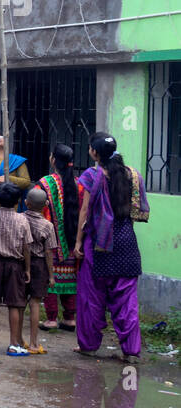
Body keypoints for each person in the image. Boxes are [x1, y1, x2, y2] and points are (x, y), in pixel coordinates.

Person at [73, 132, 148, 364]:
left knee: (91, 299)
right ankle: (131, 351)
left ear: (95, 153)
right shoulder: (132, 174)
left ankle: (89, 347)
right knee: (127, 302)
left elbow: (85, 212)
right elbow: (134, 212)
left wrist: (77, 242)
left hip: (98, 244)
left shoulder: (92, 175)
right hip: (126, 243)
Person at [0, 181, 33, 357]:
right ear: (17, 201)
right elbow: (26, 248)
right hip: (15, 265)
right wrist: (27, 269)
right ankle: (13, 344)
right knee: (14, 304)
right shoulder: (22, 220)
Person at [37, 143, 80, 332]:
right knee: (70, 280)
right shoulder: (78, 184)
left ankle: (52, 319)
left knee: (51, 278)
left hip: (51, 242)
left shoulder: (45, 183)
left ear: (53, 159)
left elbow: (40, 210)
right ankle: (70, 318)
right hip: (73, 242)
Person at [22, 187, 59, 354]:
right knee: (35, 302)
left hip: (20, 262)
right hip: (39, 265)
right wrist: (51, 275)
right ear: (46, 205)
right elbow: (49, 252)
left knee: (19, 302)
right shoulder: (47, 225)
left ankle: (16, 340)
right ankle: (34, 343)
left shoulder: (19, 219)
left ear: (26, 203)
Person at [0, 134, 32, 214]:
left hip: (11, 206)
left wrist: (8, 179)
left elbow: (26, 182)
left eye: (1, 136)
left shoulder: (17, 161)